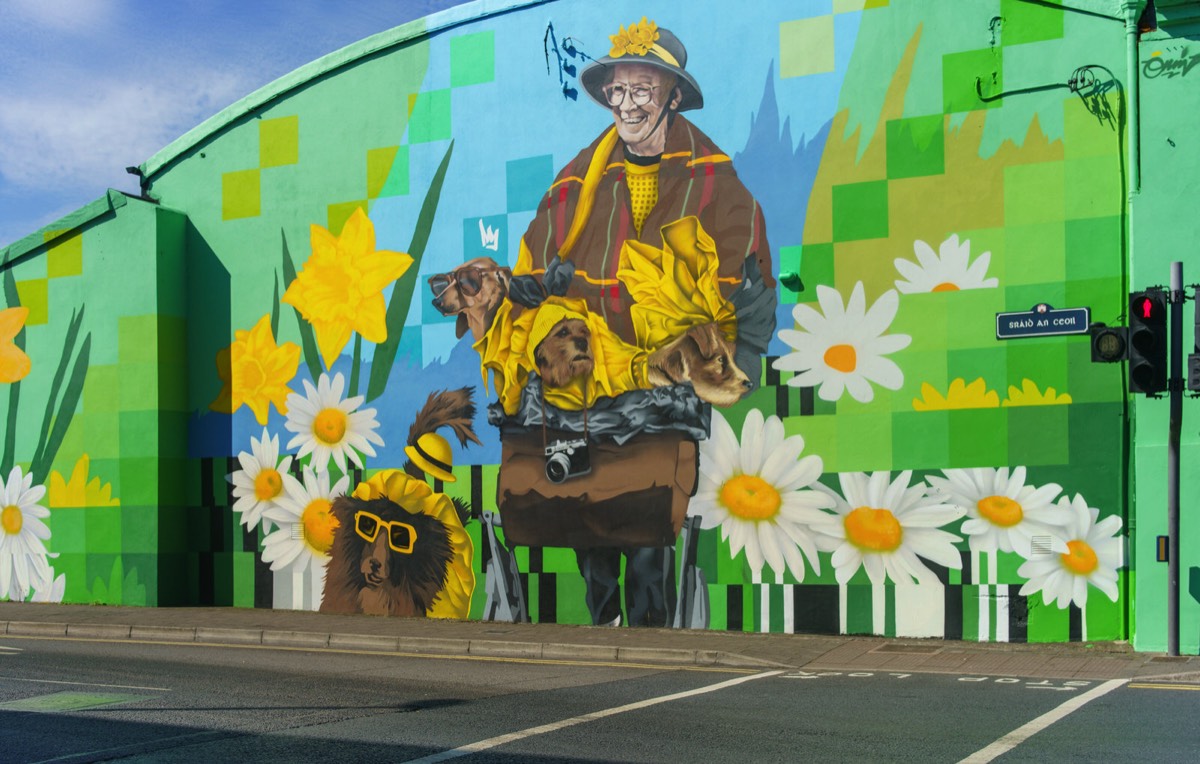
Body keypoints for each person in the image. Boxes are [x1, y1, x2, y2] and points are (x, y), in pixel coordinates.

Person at [501, 18, 777, 627]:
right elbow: (535, 268)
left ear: (673, 95)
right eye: (617, 93)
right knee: (587, 519)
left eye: (642, 91)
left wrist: (733, 365)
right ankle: (604, 632)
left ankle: (649, 640)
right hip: (589, 383)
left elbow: (751, 282)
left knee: (649, 523)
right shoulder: (577, 182)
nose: (626, 106)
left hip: (665, 385)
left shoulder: (717, 182)